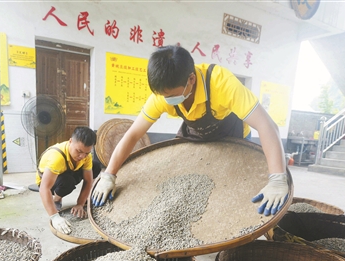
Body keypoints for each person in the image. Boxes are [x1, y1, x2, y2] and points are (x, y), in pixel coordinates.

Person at [92, 45, 288, 216]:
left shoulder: (221, 83)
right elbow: (133, 134)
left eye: (171, 95)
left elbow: (267, 126)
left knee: (232, 186)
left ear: (191, 79)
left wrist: (278, 179)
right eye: (162, 96)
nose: (166, 100)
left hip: (232, 134)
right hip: (197, 133)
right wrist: (109, 174)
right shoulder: (162, 95)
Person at [36, 127, 101, 234]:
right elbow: (44, 188)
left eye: (86, 153)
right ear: (70, 141)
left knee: (96, 166)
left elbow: (88, 181)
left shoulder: (86, 156)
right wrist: (54, 217)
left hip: (67, 172)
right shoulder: (56, 157)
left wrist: (80, 204)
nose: (82, 156)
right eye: (79, 151)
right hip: (48, 181)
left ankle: (83, 200)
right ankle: (57, 199)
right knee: (67, 181)